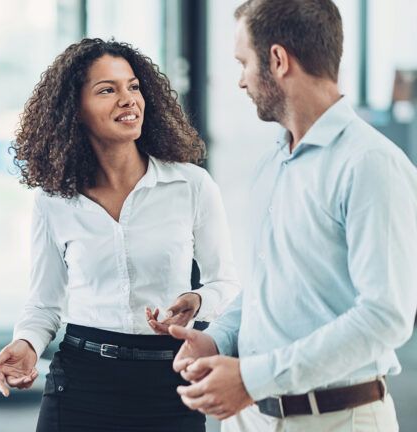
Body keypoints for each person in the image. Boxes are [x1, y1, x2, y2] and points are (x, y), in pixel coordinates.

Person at [162, 1, 417, 431]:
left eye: (244, 63)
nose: (241, 80)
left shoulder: (372, 165)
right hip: (251, 418)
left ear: (278, 60)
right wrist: (217, 338)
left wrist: (251, 378)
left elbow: (385, 317)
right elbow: (267, 288)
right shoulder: (273, 163)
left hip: (337, 419)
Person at [0, 38, 240, 432]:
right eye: (107, 90)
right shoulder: (54, 201)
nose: (128, 99)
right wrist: (27, 344)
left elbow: (226, 283)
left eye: (133, 86)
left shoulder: (191, 185)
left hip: (168, 383)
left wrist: (197, 300)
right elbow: (44, 303)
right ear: (75, 110)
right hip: (81, 382)